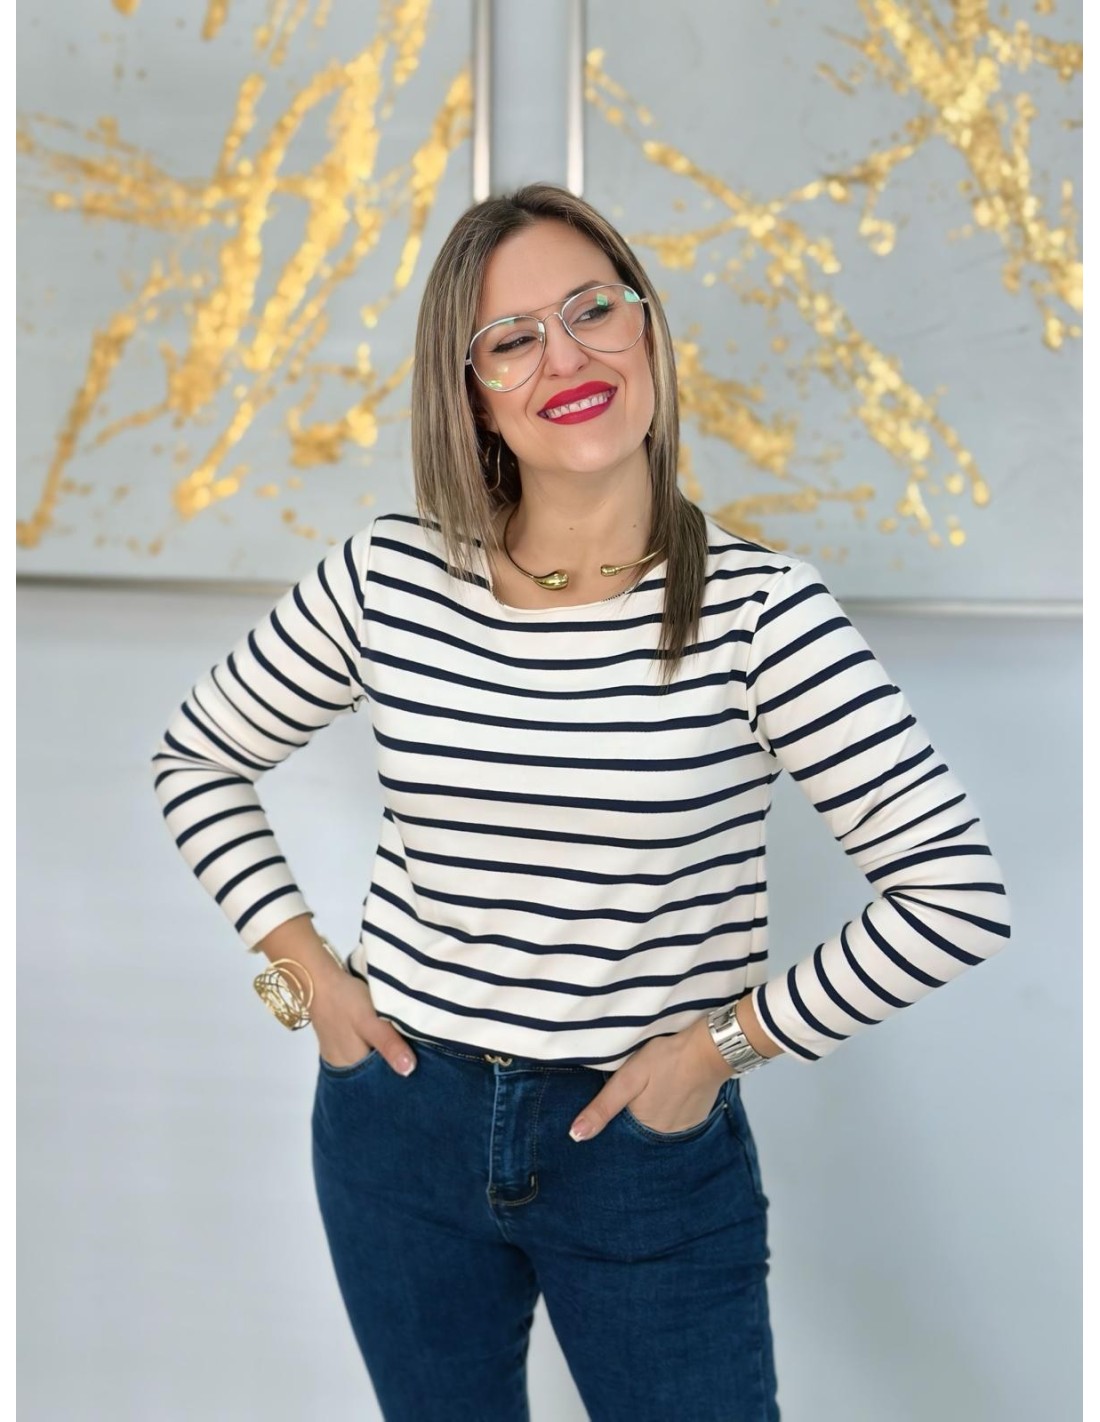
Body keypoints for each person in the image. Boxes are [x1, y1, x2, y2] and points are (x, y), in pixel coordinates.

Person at [151, 182, 1012, 1422]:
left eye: (590, 309)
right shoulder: (387, 578)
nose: (564, 357)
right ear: (471, 394)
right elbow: (197, 758)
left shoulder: (761, 614)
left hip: (639, 1152)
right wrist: (310, 980)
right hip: (397, 1121)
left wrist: (717, 1051)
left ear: (645, 326)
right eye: (511, 338)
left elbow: (952, 895)